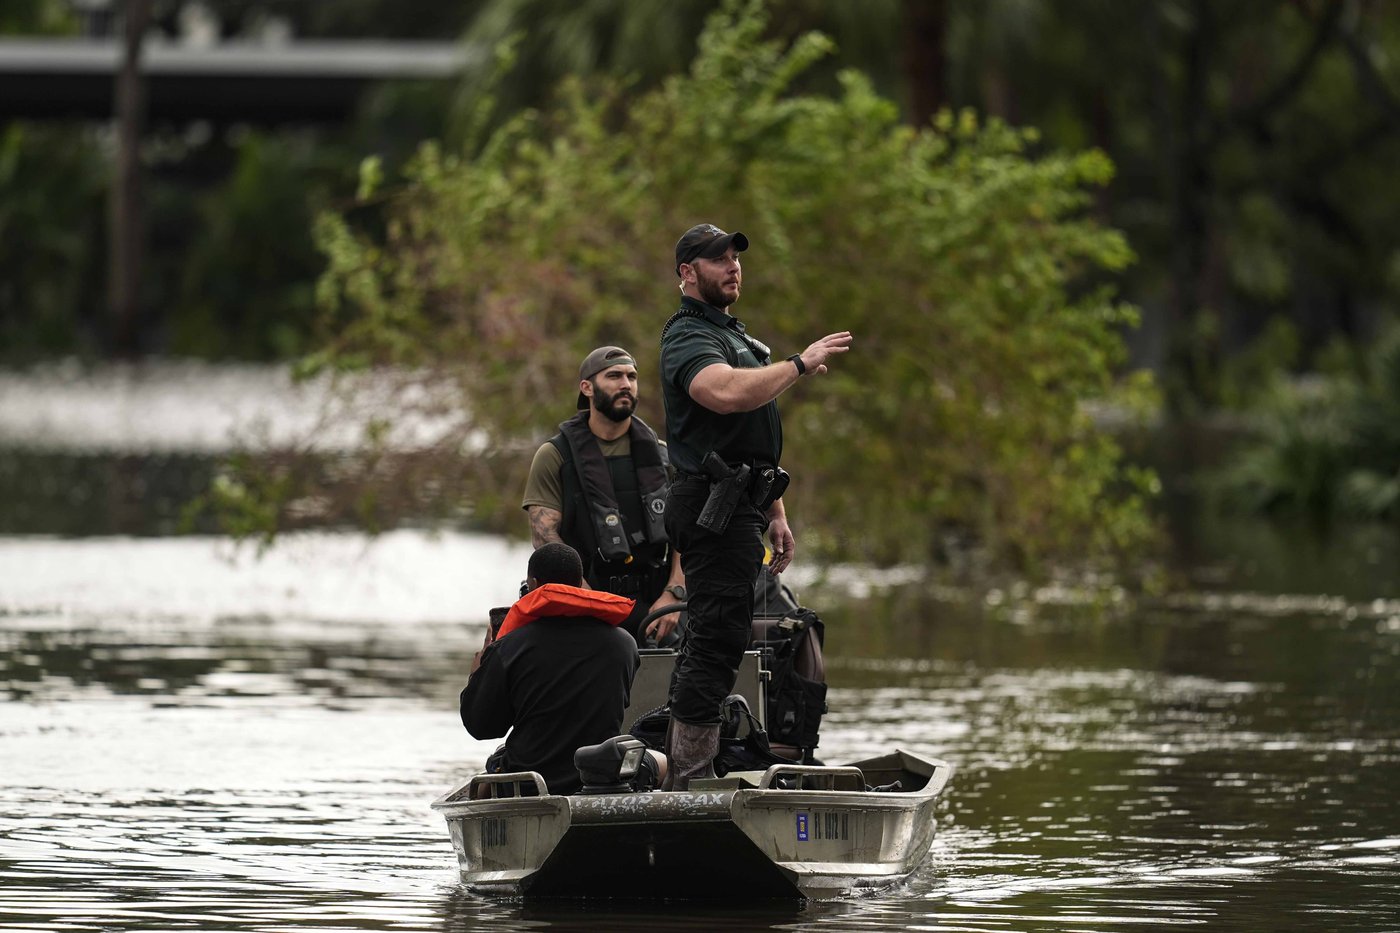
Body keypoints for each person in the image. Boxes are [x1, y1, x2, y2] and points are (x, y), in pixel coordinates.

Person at [658, 222, 852, 789]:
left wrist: (776, 513)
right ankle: (689, 777)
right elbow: (722, 393)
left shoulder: (732, 334)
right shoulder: (688, 336)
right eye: (718, 260)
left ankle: (695, 766)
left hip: (743, 505)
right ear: (687, 273)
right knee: (716, 640)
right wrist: (796, 364)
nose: (733, 267)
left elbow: (751, 440)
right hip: (708, 508)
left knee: (722, 635)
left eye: (736, 259)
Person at [522, 346, 687, 645]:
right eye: (614, 376)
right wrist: (588, 601)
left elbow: (686, 533)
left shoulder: (664, 456)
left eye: (632, 376)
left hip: (657, 607)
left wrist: (674, 593)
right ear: (586, 387)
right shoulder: (555, 456)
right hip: (582, 603)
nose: (626, 384)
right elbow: (545, 538)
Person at [459, 542, 647, 795]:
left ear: (534, 585)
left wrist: (478, 671)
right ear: (580, 585)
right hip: (601, 779)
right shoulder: (625, 644)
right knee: (659, 761)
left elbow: (481, 727)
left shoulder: (509, 648)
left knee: (482, 786)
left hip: (529, 783)